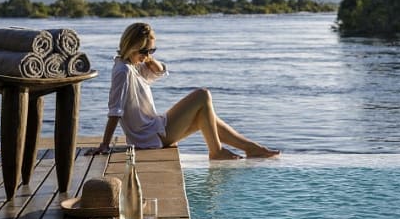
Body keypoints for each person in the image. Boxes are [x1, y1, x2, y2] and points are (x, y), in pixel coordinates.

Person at [93, 22, 280, 160]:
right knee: (202, 94)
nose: (147, 56)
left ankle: (250, 148)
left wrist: (149, 58)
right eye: (144, 51)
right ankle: (216, 151)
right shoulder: (123, 71)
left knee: (205, 117)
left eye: (152, 51)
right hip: (149, 136)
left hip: (154, 129)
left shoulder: (131, 66)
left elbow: (159, 72)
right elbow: (115, 110)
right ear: (132, 46)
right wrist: (105, 144)